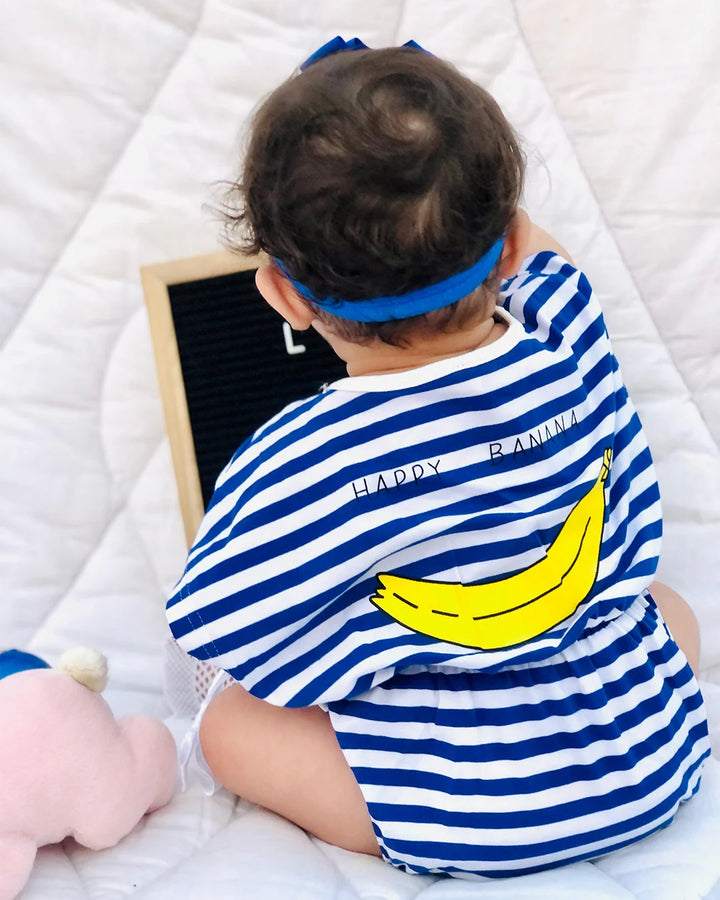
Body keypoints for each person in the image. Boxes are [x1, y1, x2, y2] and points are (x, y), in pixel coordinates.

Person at [166, 38, 710, 878]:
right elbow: (550, 261)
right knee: (668, 606)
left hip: (466, 804)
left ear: (282, 296)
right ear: (512, 242)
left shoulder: (298, 459)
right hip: (649, 755)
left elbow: (222, 623)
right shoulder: (566, 340)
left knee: (233, 722)